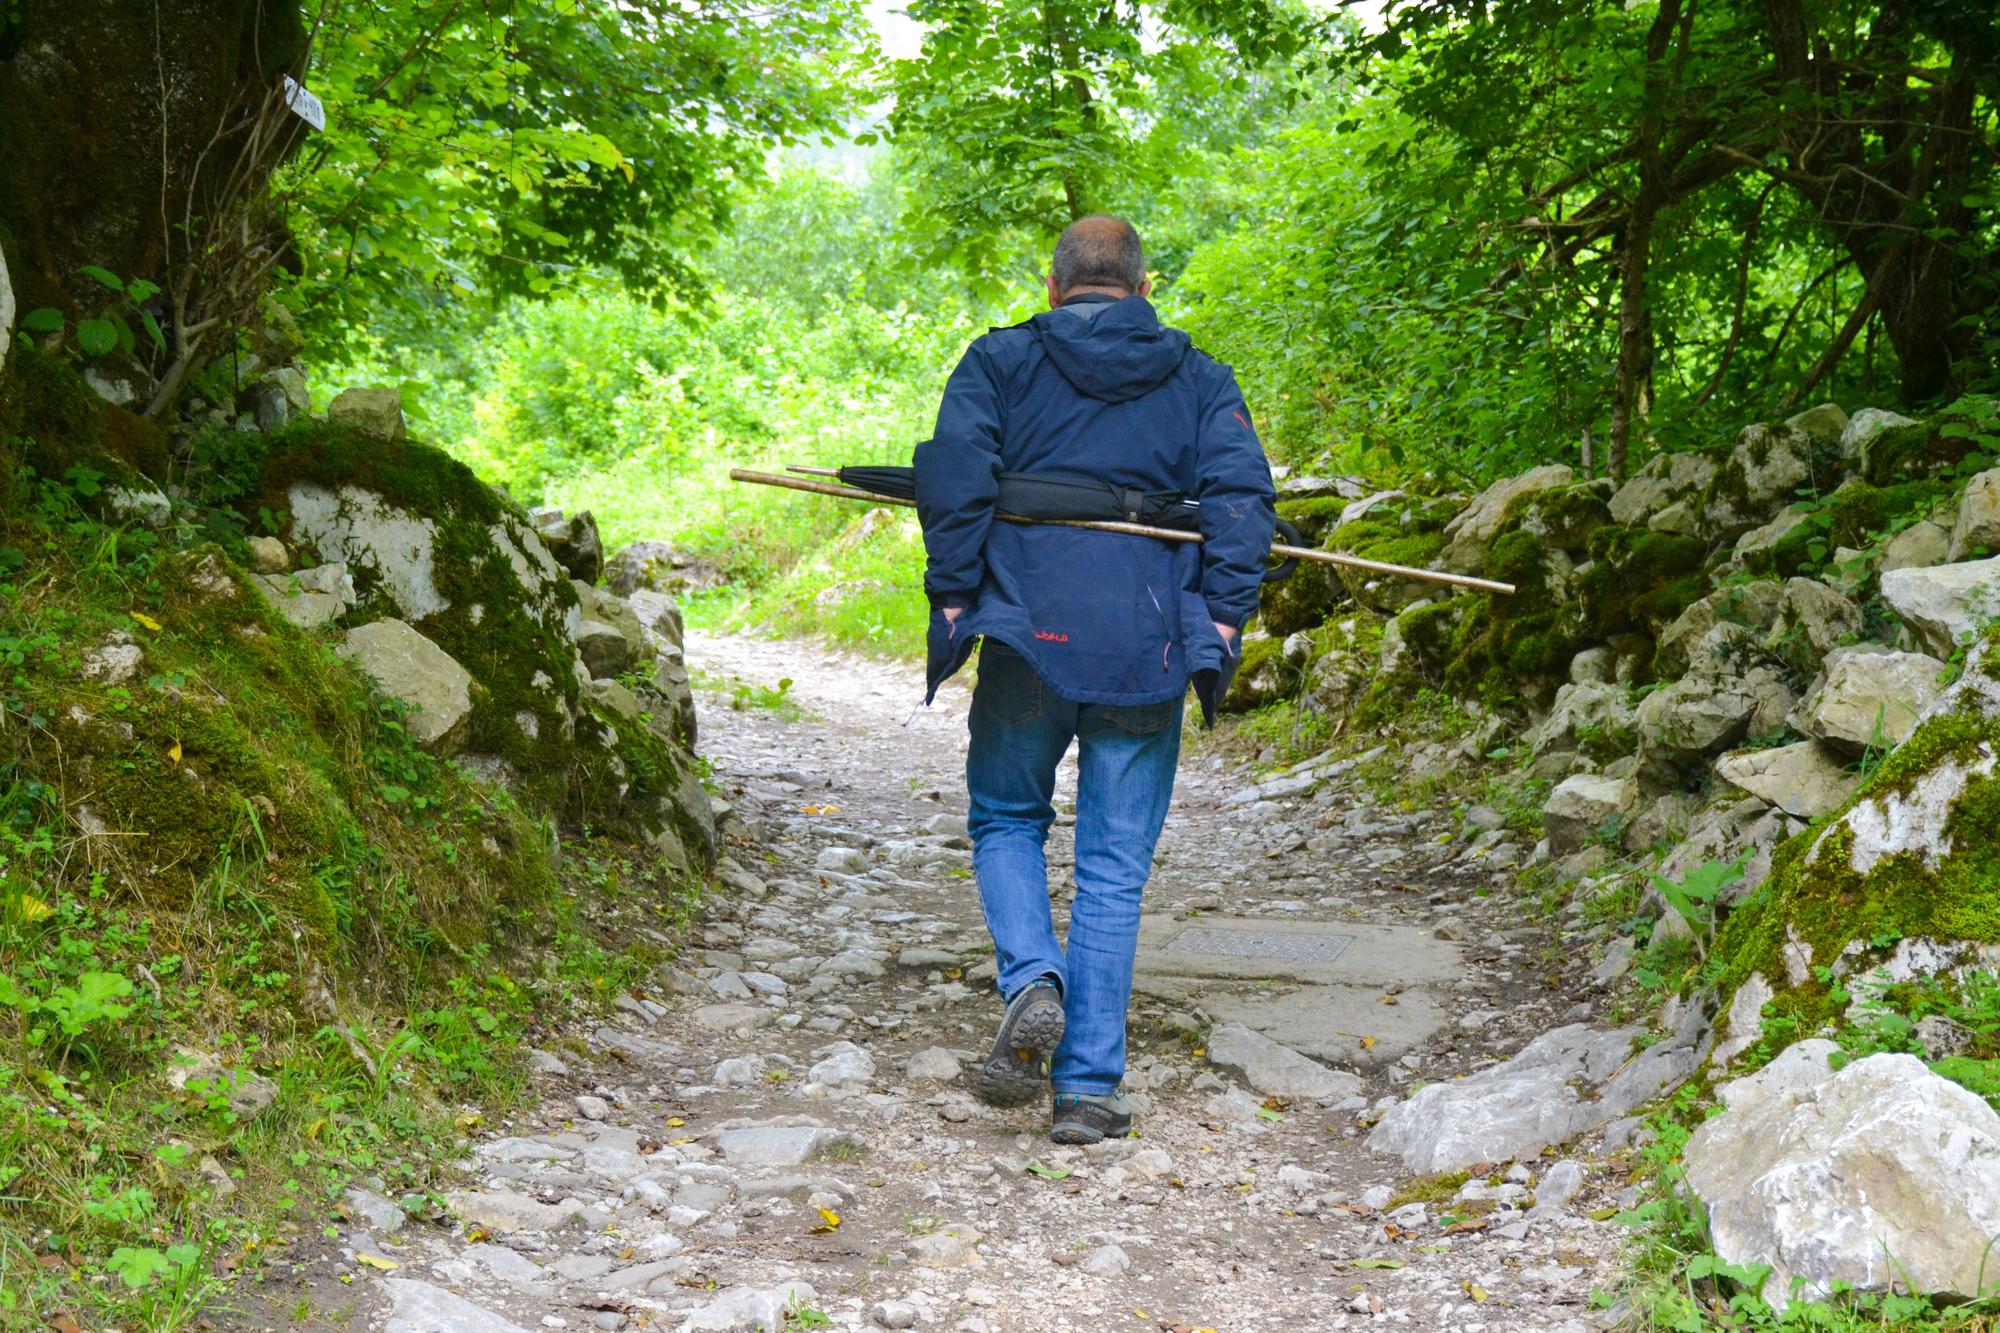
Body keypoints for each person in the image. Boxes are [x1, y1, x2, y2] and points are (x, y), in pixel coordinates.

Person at [913, 215, 1276, 1144]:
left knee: (1005, 816)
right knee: (1114, 866)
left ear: (1053, 287)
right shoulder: (1200, 377)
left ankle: (1034, 974)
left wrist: (956, 595)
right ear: (1145, 290)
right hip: (1145, 646)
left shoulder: (1000, 361)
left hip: (1030, 633)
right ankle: (1085, 1091)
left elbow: (954, 476)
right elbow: (1243, 499)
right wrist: (1224, 618)